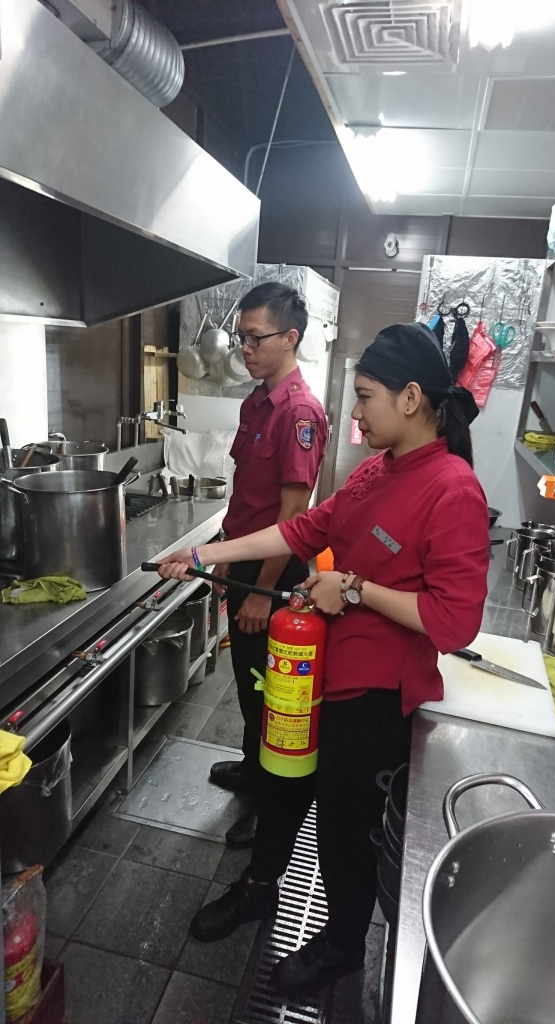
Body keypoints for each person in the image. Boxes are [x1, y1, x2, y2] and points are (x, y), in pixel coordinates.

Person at [157, 322, 489, 996]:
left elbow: (455, 622)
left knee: (343, 825)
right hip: (315, 673)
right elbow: (303, 528)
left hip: (373, 700)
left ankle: (342, 944)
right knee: (280, 787)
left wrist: (355, 588)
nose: (356, 413)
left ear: (411, 398)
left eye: (365, 396)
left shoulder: (453, 489)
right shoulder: (376, 472)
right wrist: (203, 554)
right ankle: (259, 888)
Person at [208, 282, 328, 849]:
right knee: (247, 678)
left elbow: (292, 515)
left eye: (256, 338)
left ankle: (272, 800)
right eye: (242, 338)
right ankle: (253, 766)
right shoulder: (256, 401)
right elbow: (248, 497)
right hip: (245, 565)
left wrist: (260, 591)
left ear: (290, 338)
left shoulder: (299, 413)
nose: (246, 348)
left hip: (273, 576)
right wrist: (228, 563)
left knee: (269, 688)